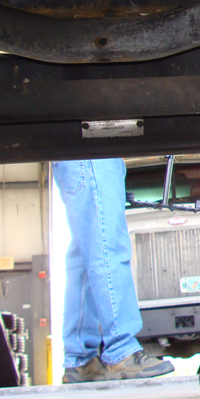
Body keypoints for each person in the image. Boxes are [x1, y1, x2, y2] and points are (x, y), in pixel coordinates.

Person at [54, 159, 174, 382]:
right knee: (108, 244)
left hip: (75, 158)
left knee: (84, 253)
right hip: (93, 156)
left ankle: (81, 359)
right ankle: (122, 352)